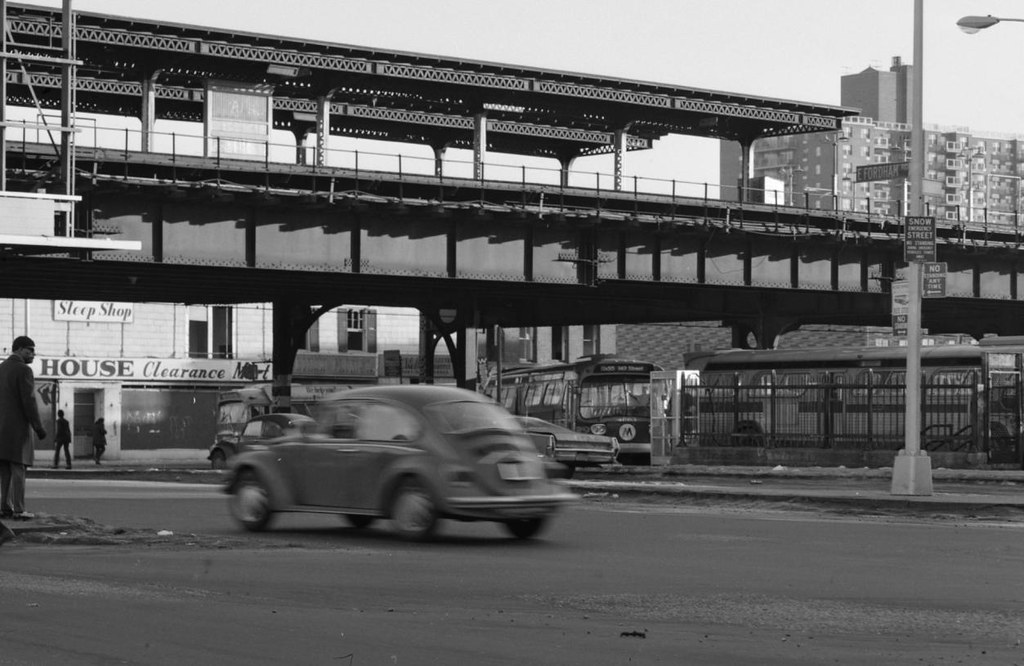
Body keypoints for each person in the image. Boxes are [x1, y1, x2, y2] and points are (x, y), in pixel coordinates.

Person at [0, 336, 46, 522]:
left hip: (1, 429)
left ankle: (5, 507)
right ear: (18, 349)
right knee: (19, 468)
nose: (33, 355)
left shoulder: (1, 368)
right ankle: (19, 509)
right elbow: (29, 401)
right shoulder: (23, 370)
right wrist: (38, 427)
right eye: (29, 350)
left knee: (5, 470)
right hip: (17, 428)